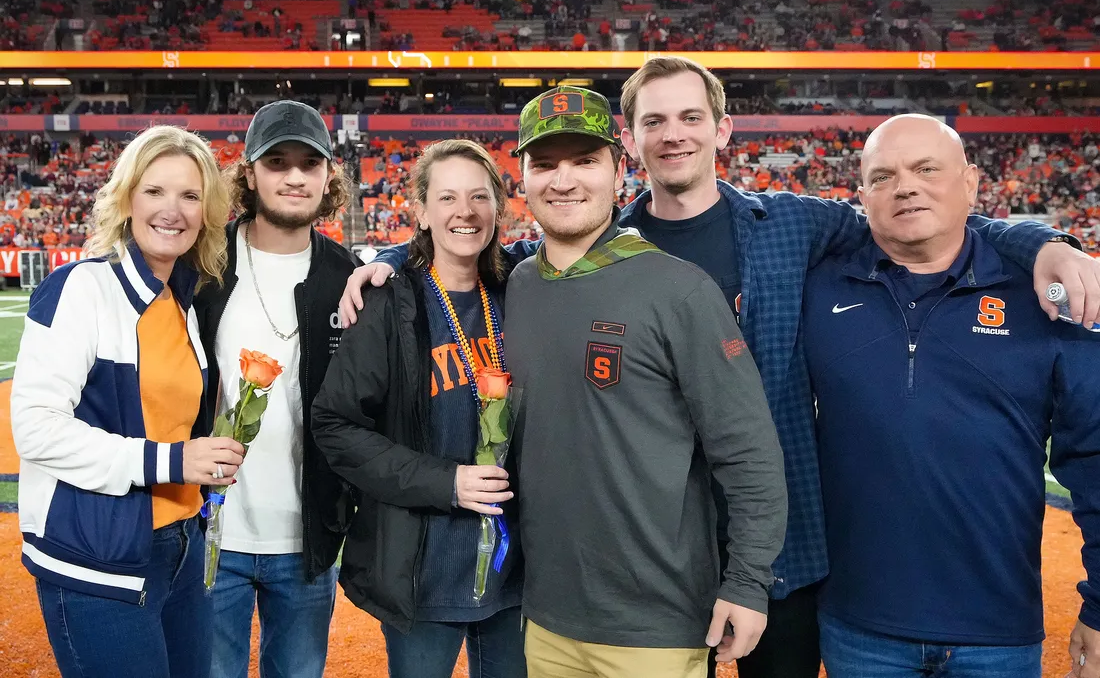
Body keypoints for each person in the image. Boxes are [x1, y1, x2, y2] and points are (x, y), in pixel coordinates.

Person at [340, 58, 1100, 678]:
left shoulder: (794, 223)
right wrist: (386, 269)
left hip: (778, 552)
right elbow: (473, 260)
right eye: (654, 122)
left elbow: (920, 208)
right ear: (630, 145)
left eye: (690, 117)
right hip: (645, 561)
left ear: (722, 127)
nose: (674, 136)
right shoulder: (578, 250)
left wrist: (1045, 242)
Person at [802, 114, 1100, 678]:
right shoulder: (818, 289)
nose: (905, 186)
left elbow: (1094, 459)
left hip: (998, 631)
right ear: (861, 196)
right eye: (883, 176)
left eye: (925, 169)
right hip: (858, 626)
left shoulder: (1047, 297)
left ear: (971, 183)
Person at [505, 87, 787, 676]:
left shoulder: (680, 290)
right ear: (523, 178)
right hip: (546, 616)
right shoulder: (519, 283)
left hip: (657, 626)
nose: (563, 180)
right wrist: (392, 260)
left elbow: (750, 453)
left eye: (584, 160)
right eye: (544, 163)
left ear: (618, 168)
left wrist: (747, 580)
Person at [11, 125, 241, 678]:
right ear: (127, 199)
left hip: (182, 548)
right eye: (155, 191)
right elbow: (36, 429)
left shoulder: (182, 299)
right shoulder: (80, 289)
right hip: (100, 561)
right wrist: (172, 459)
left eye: (190, 196)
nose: (173, 210)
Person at [311, 139, 527, 678]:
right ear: (422, 212)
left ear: (499, 209)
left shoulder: (520, 288)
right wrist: (446, 482)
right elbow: (334, 426)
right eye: (447, 197)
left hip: (515, 570)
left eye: (480, 197)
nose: (465, 211)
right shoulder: (388, 301)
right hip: (423, 572)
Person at [194, 100, 359, 678]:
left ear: (327, 177)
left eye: (309, 163)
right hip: (212, 529)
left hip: (307, 538)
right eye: (277, 161)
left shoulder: (348, 274)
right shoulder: (205, 263)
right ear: (249, 173)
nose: (294, 176)